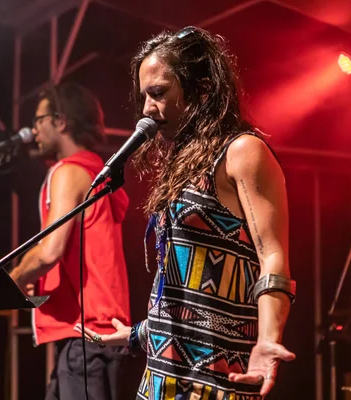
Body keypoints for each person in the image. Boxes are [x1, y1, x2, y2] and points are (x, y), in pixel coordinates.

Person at [75, 27, 296, 399]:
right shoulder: (185, 162)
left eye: (158, 93)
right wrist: (139, 334)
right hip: (161, 377)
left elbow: (273, 256)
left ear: (203, 89)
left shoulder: (242, 152)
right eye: (143, 95)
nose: (146, 108)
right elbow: (191, 284)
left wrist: (268, 340)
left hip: (213, 379)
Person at [9, 82, 131, 400]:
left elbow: (49, 251)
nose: (32, 129)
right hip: (98, 333)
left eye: (38, 120)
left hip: (87, 334)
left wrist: (10, 283)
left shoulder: (70, 171)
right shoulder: (96, 173)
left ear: (60, 121)